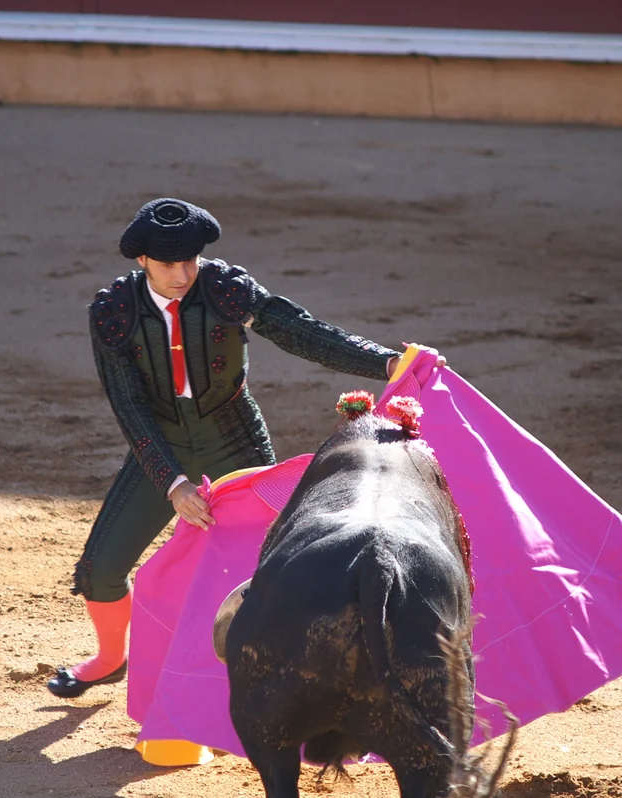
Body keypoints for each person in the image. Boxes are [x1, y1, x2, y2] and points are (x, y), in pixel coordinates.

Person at [47, 197, 407, 697]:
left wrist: (387, 362)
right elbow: (129, 405)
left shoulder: (224, 287)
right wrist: (172, 482)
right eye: (168, 264)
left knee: (281, 563)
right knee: (99, 569)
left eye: (189, 260)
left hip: (234, 441)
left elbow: (300, 332)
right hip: (162, 447)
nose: (182, 275)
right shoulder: (114, 310)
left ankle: (306, 667)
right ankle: (111, 659)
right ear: (142, 260)